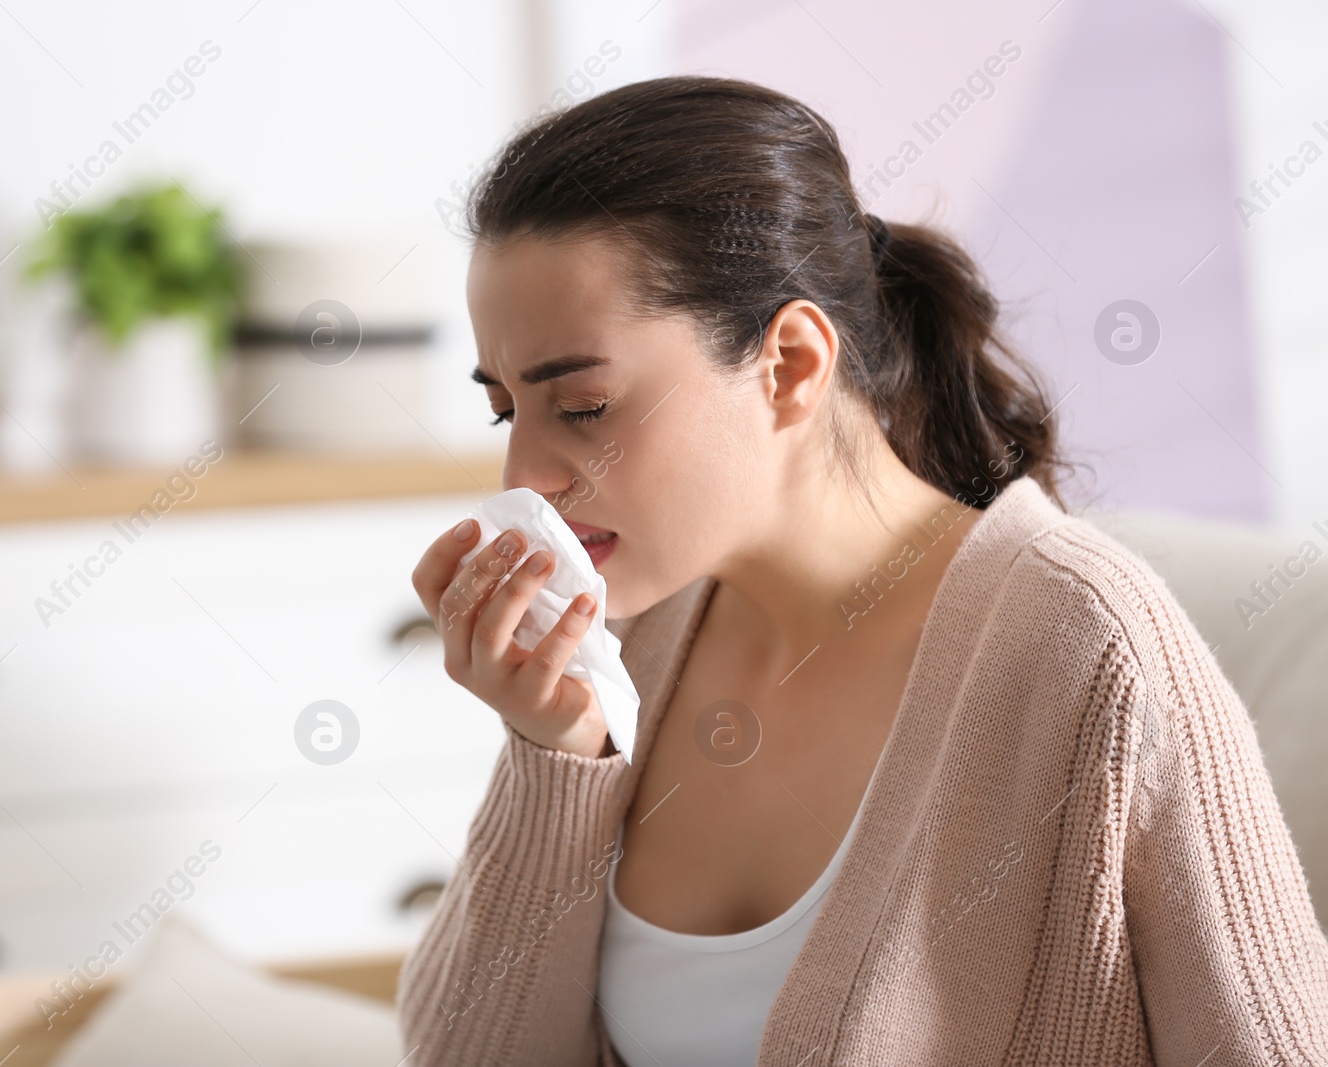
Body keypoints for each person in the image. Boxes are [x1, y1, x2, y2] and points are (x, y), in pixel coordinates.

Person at [398, 75, 1328, 1065]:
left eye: (581, 407)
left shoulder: (1083, 641)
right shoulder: (637, 635)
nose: (524, 477)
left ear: (791, 364)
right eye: (506, 409)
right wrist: (556, 756)